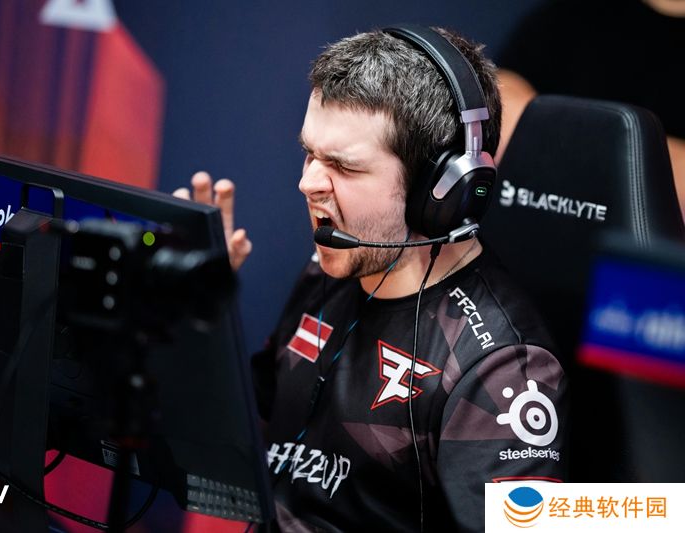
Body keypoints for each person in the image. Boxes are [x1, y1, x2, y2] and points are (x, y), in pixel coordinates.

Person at [175, 26, 567, 532]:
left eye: (343, 166)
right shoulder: (334, 263)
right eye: (310, 153)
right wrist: (198, 322)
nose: (308, 183)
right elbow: (248, 432)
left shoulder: (500, 367)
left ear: (440, 190)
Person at [496, 0, 685, 221]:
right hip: (536, 221)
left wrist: (563, 144)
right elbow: (502, 112)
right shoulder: (567, 16)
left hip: (649, 240)